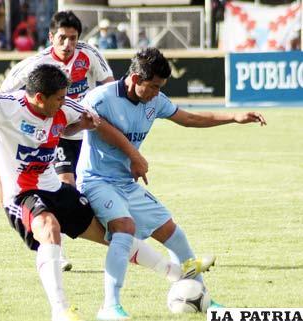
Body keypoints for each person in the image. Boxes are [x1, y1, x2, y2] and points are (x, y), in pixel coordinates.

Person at [0, 61, 212, 321]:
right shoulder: (7, 106)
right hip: (22, 194)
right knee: (49, 227)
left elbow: (81, 124)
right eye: (58, 99)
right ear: (38, 97)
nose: (64, 103)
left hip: (55, 189)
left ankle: (175, 274)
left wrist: (84, 127)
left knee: (114, 234)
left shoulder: (65, 106)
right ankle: (60, 310)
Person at [76, 47, 267, 319]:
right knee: (124, 228)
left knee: (172, 232)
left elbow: (188, 119)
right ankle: (109, 307)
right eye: (153, 87)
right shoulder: (101, 97)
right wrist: (134, 154)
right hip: (96, 180)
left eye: (160, 88)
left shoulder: (156, 100)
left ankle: (202, 297)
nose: (156, 93)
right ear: (134, 78)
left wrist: (232, 117)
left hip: (125, 183)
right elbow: (96, 126)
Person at [0, 10, 116, 271]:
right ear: (51, 37)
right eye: (62, 38)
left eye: (73, 38)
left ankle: (119, 233)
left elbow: (109, 84)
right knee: (66, 181)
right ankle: (57, 250)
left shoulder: (89, 54)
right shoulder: (36, 63)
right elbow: (3, 93)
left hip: (86, 131)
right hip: (57, 130)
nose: (68, 45)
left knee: (94, 186)